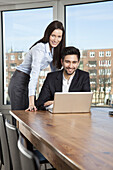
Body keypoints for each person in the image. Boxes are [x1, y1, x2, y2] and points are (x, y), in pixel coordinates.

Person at [8, 20, 65, 111]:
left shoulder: (53, 51)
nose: (56, 40)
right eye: (53, 35)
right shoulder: (40, 48)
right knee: (21, 116)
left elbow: (55, 73)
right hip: (20, 80)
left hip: (28, 80)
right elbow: (34, 75)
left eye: (59, 36)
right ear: (48, 35)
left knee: (30, 117)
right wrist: (31, 103)